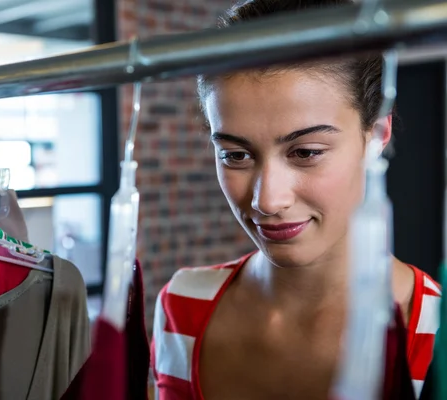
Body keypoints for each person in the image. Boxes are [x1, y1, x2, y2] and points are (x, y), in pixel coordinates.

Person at [150, 1, 441, 399]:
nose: (268, 200)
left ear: (375, 137)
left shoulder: (436, 334)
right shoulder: (182, 305)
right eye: (236, 155)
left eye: (305, 152)